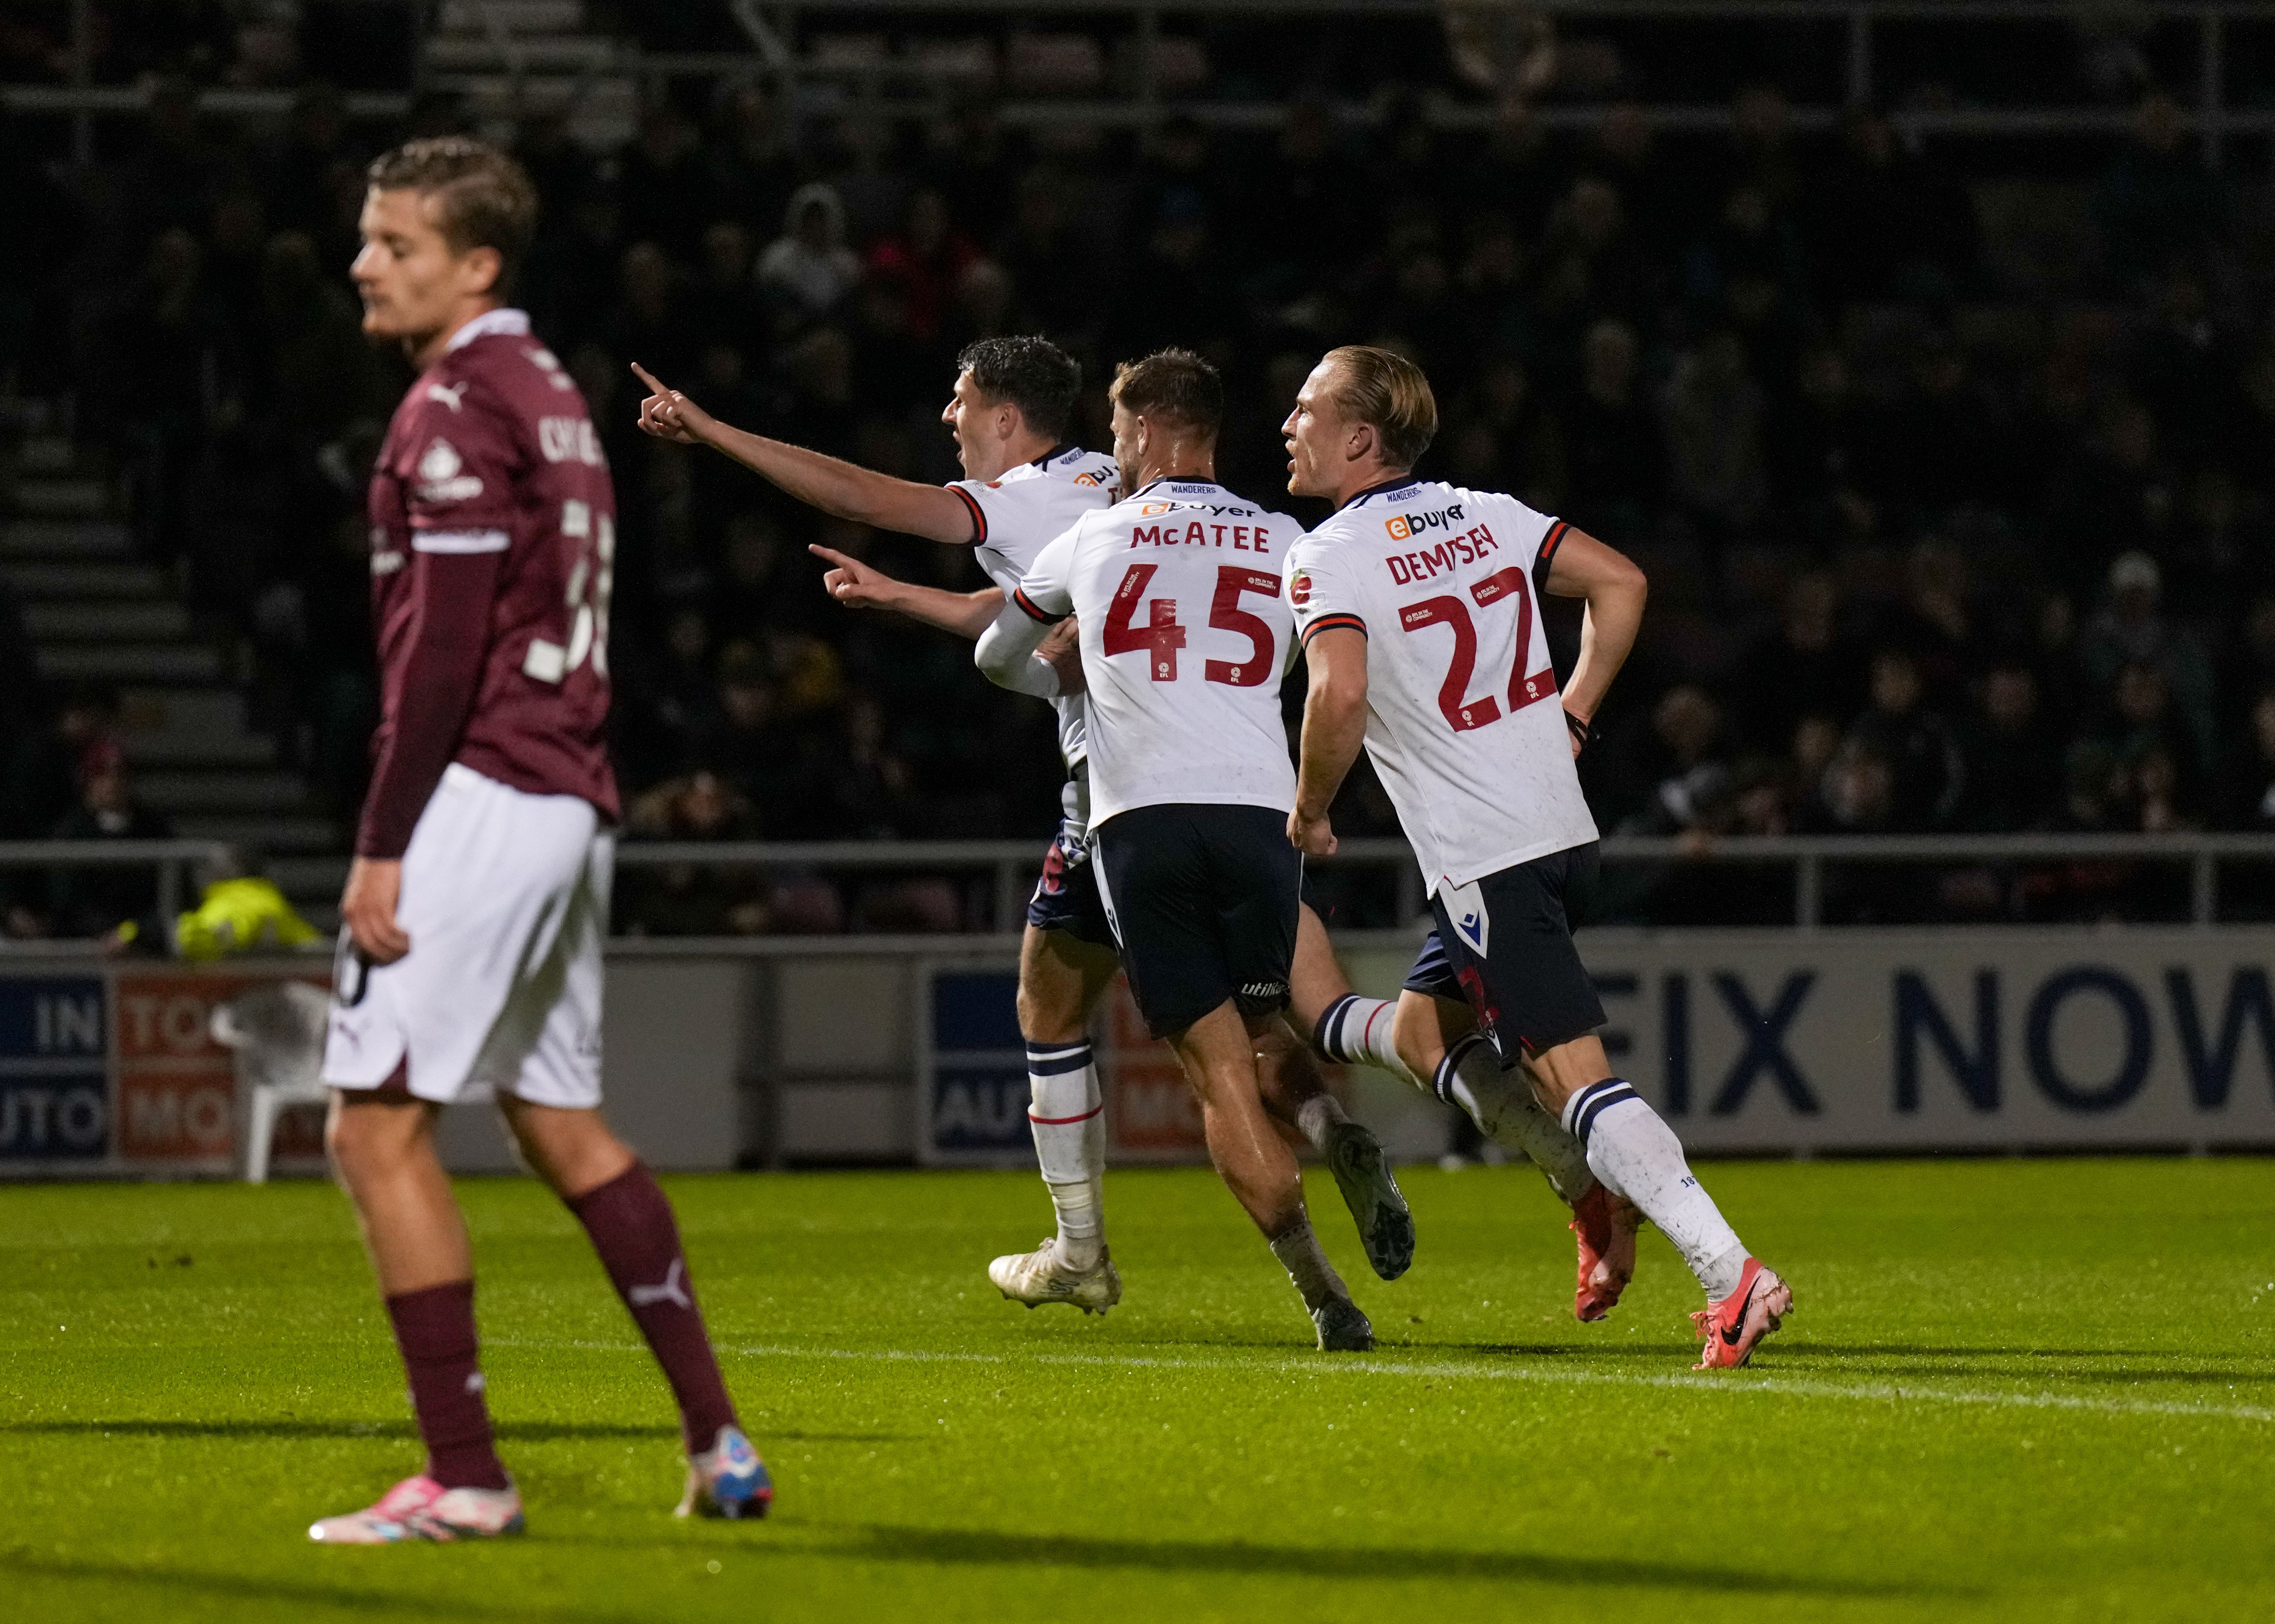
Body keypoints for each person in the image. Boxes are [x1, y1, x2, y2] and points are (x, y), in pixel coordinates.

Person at [630, 339, 1416, 1315]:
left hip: (1121, 799)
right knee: (1261, 1017)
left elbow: (871, 505)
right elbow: (1029, 614)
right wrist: (906, 600)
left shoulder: (1031, 501)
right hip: (1246, 790)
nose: (947, 421)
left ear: (1009, 418)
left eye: (959, 403)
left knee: (1075, 1016)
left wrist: (709, 431)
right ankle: (1330, 1120)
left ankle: (1088, 1249)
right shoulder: (1154, 497)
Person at [313, 137, 769, 1544]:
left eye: (396, 243)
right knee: (556, 1121)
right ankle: (720, 1444)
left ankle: (465, 1478)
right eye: (370, 239)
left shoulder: (450, 405)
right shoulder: (555, 396)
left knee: (373, 1127)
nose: (364, 263)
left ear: (478, 265)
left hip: (484, 788)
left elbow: (441, 653)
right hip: (568, 791)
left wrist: (383, 842)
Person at [1281, 345, 1796, 1368]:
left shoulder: (1327, 554)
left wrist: (1309, 812)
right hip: (1558, 832)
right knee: (1423, 1032)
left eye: (1305, 410)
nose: (1287, 425)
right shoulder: (1488, 513)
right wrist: (1576, 710)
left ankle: (1730, 1273)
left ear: (1359, 439)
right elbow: (1623, 582)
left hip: (1488, 854)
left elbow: (1337, 696)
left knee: (1574, 1079)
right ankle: (1590, 1188)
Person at [973, 348, 1376, 1351]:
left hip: (1140, 820)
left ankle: (1325, 1295)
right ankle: (1336, 1130)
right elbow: (1329, 661)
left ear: (1149, 429)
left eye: (1116, 433)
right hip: (1259, 814)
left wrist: (1071, 664)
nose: (1112, 451)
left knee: (1216, 1078)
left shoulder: (1094, 535)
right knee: (1270, 1030)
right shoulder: (1288, 536)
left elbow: (993, 656)